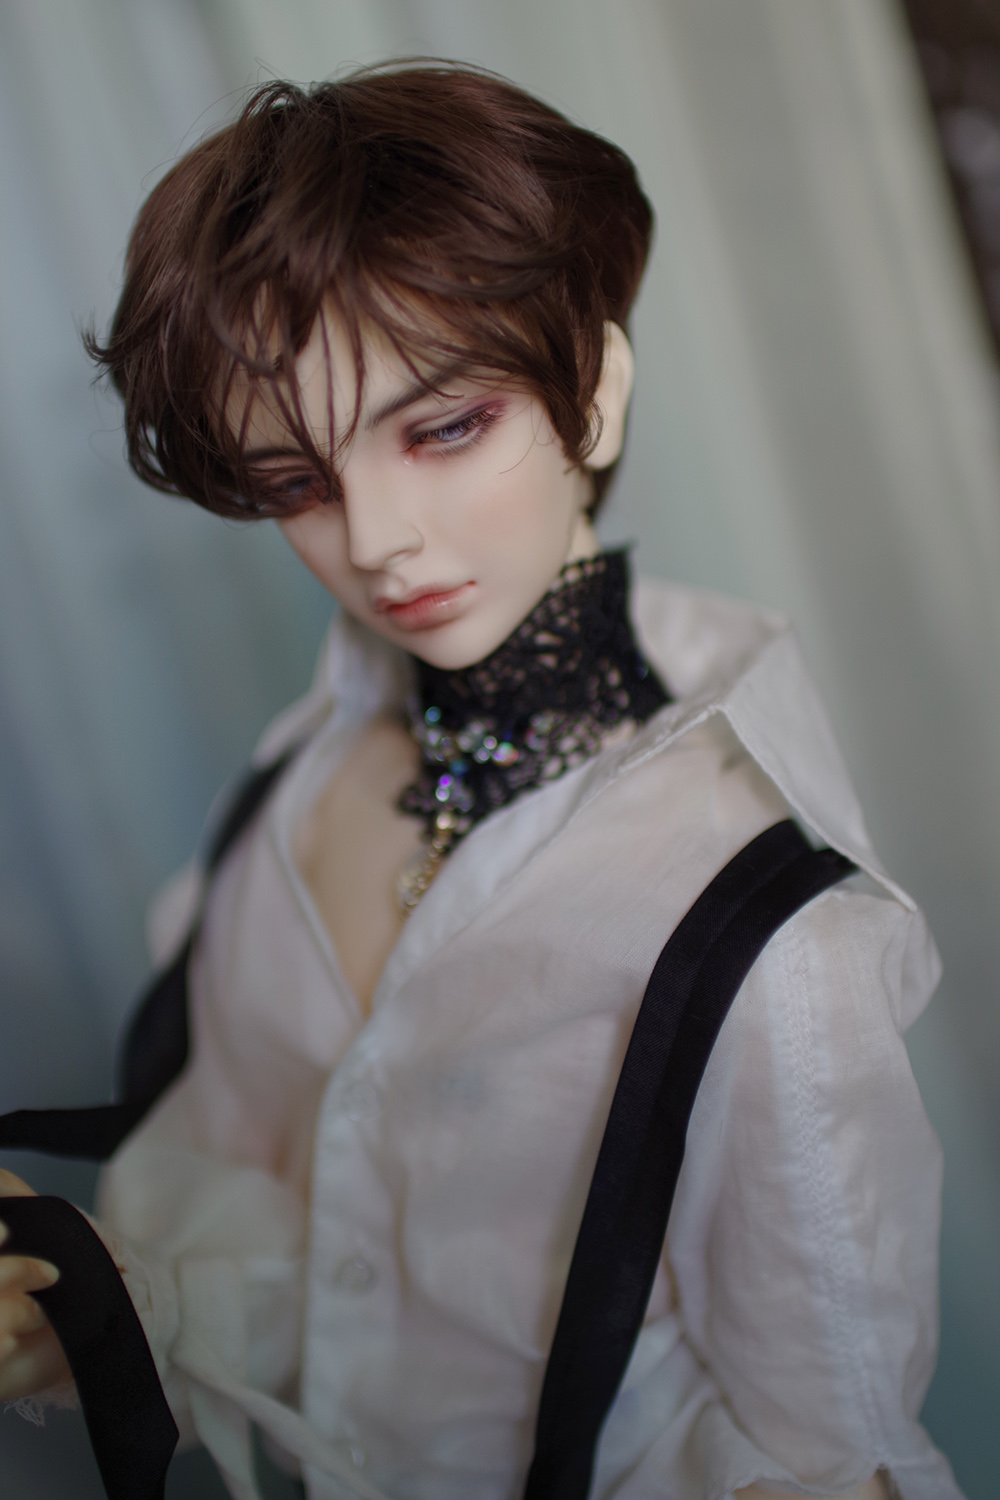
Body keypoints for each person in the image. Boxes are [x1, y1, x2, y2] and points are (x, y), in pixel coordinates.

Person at [0, 62, 964, 1500]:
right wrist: (86, 1309)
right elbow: (312, 1259)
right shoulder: (299, 790)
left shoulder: (759, 933)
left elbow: (821, 1458)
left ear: (597, 391)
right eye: (296, 482)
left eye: (445, 426)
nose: (377, 539)